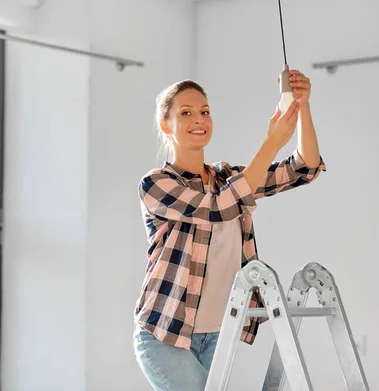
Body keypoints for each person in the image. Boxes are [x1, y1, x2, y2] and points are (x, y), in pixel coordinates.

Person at [133, 70, 325, 391]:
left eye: (205, 111)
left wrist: (301, 106)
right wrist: (272, 142)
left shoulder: (228, 178)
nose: (199, 119)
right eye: (186, 113)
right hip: (165, 334)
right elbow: (218, 209)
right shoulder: (156, 184)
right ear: (166, 126)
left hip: (221, 333)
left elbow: (304, 167)